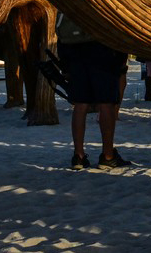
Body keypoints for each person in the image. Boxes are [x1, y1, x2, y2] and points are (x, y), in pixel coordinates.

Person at [55, 11, 131, 171]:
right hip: (102, 49)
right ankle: (108, 156)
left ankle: (79, 156)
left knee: (80, 104)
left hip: (74, 49)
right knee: (106, 103)